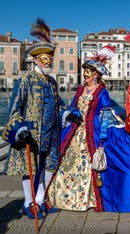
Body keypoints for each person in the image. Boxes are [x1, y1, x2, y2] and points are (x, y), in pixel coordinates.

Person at [47, 45, 130, 212]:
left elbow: (106, 112)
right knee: (69, 162)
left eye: (89, 72)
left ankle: (91, 198)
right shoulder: (80, 89)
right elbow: (72, 106)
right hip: (76, 130)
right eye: (85, 72)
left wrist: (103, 135)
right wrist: (72, 113)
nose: (86, 75)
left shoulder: (102, 91)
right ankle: (66, 196)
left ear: (96, 75)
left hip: (93, 130)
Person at [1, 18, 64, 219]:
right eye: (45, 59)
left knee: (49, 165)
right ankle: (29, 203)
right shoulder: (26, 79)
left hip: (51, 133)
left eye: (50, 59)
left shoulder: (52, 82)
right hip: (32, 134)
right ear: (36, 60)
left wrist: (68, 113)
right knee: (30, 168)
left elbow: (58, 104)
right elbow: (15, 108)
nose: (49, 62)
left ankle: (39, 199)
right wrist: (19, 129)